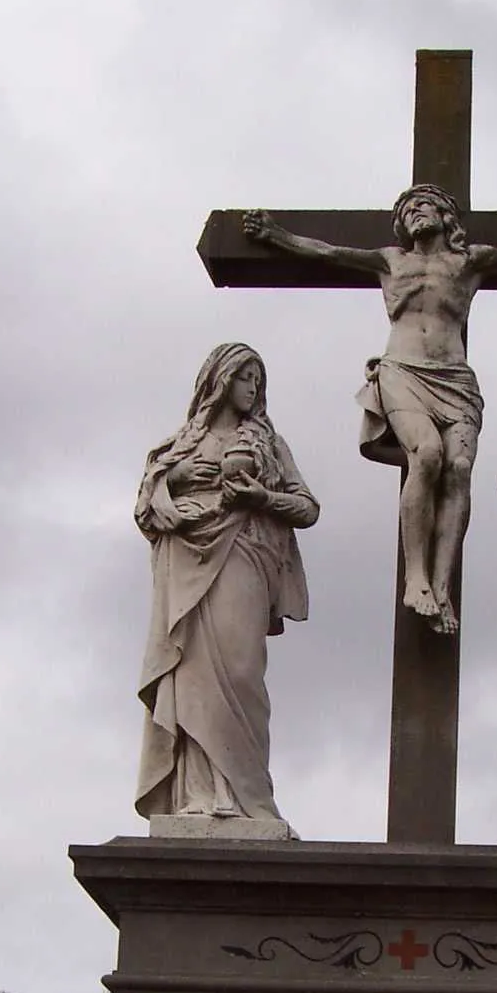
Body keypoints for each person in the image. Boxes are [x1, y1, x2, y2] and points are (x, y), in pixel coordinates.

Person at [245, 191, 497, 634]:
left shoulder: (469, 263)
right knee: (426, 454)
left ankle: (442, 587)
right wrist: (275, 236)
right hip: (403, 371)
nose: (412, 215)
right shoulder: (389, 261)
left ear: (445, 217)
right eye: (406, 211)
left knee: (459, 467)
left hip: (454, 378)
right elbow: (327, 252)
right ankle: (417, 578)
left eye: (421, 207)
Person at [135, 343, 318, 824]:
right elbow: (145, 508)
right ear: (219, 380)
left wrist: (261, 497)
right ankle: (198, 795)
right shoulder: (178, 447)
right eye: (245, 376)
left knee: (240, 673)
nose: (253, 387)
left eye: (258, 378)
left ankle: (244, 795)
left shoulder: (269, 446)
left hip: (244, 556)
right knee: (191, 672)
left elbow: (308, 508)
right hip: (185, 566)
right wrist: (174, 477)